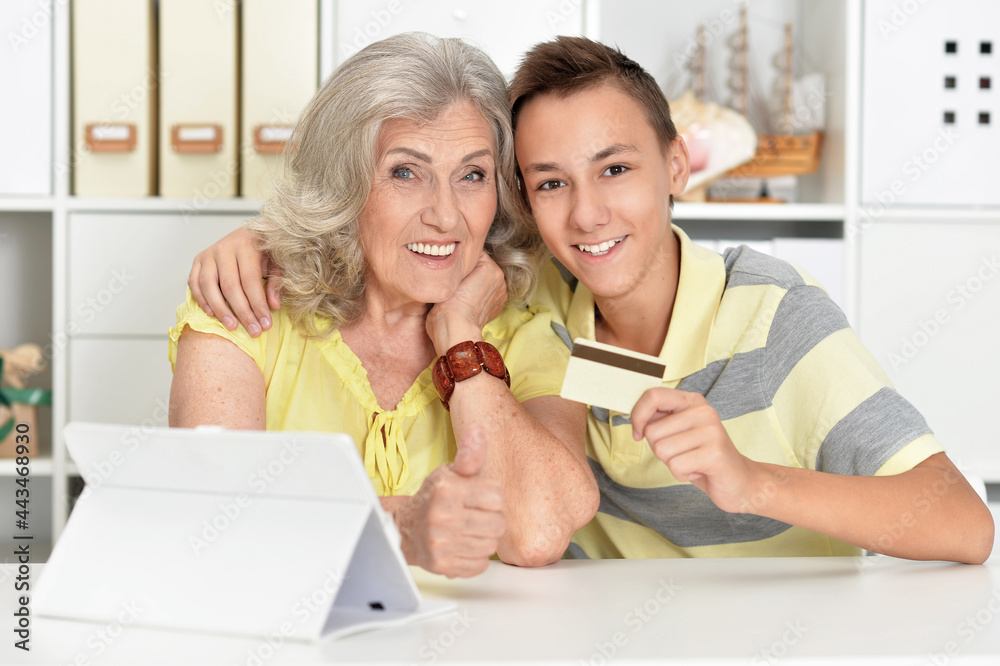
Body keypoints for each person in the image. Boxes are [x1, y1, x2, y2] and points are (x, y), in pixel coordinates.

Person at [188, 36, 994, 564]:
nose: (588, 214)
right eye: (550, 184)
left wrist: (750, 481)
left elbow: (965, 525)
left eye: (616, 169)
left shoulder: (770, 313)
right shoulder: (548, 303)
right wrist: (262, 243)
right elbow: (407, 229)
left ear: (678, 167)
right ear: (526, 202)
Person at [169, 33, 598, 580]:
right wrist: (398, 527)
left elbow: (536, 533)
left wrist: (461, 335)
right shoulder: (244, 307)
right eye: (404, 172)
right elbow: (213, 520)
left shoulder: (527, 337)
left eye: (472, 175)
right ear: (340, 180)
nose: (446, 216)